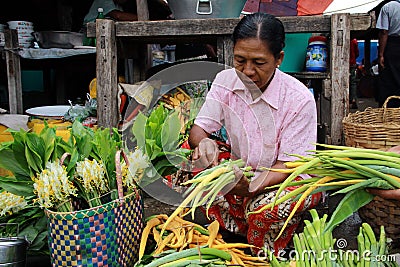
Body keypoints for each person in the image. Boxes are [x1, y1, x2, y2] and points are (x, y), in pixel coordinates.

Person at [188, 13, 321, 253]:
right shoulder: (224, 81)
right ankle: (241, 224)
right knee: (186, 170)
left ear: (278, 58)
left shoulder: (298, 99)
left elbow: (289, 165)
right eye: (240, 60)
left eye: (259, 63)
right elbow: (198, 130)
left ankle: (262, 238)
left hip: (284, 179)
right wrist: (204, 143)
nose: (247, 71)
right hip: (244, 172)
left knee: (266, 209)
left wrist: (253, 186)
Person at [376, 0, 400, 108]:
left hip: (392, 46)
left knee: (389, 78)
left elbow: (384, 32)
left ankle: (390, 110)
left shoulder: (388, 7)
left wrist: (381, 54)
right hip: (393, 44)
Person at [349, 38, 359, 109]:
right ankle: (353, 99)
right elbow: (357, 53)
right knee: (352, 82)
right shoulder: (354, 41)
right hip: (352, 63)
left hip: (342, 64)